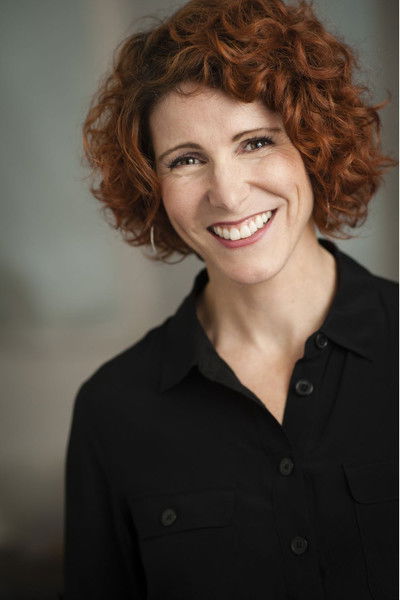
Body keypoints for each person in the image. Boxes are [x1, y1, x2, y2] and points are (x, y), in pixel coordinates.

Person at [64, 0, 398, 598]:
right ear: (152, 185)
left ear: (314, 144)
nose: (228, 193)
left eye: (255, 142)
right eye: (186, 159)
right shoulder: (111, 410)